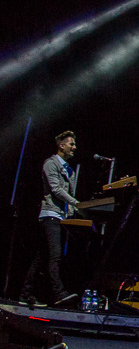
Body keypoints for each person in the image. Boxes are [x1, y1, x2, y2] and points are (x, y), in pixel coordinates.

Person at [19, 131, 80, 307]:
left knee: (41, 257)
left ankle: (25, 294)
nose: (74, 148)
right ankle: (58, 292)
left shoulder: (70, 170)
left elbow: (69, 194)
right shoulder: (50, 164)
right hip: (49, 215)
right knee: (55, 254)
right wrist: (76, 203)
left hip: (59, 217)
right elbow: (56, 189)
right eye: (71, 144)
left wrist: (72, 212)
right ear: (62, 145)